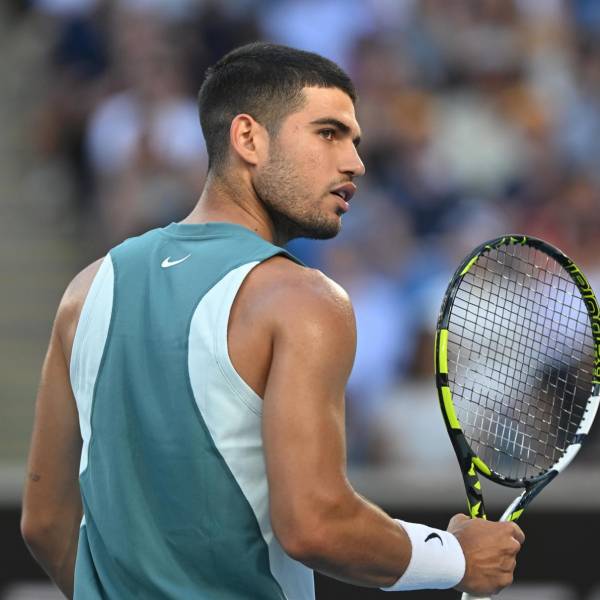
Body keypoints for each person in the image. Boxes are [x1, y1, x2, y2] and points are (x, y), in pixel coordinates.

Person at [21, 42, 524, 599]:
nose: (354, 162)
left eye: (355, 141)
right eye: (328, 133)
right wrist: (455, 557)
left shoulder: (85, 290)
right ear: (248, 138)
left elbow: (44, 522)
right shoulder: (303, 300)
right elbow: (316, 524)